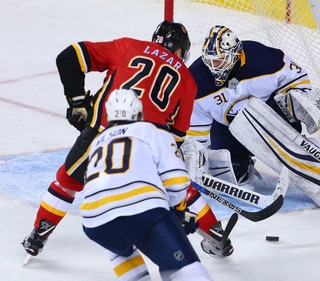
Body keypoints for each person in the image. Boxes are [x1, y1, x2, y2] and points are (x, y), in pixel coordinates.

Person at [22, 20, 230, 262]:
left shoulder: (128, 46)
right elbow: (177, 136)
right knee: (179, 186)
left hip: (104, 131)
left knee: (67, 181)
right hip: (151, 140)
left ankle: (38, 236)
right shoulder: (187, 78)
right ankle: (217, 236)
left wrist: (77, 102)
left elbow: (68, 57)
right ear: (181, 51)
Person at [183, 25, 320, 233]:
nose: (215, 66)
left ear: (236, 54)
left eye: (220, 60)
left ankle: (314, 161)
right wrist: (194, 162)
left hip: (274, 121)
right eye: (210, 61)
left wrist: (298, 100)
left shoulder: (264, 58)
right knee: (231, 172)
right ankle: (243, 166)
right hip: (229, 132)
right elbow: (195, 134)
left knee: (260, 116)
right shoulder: (197, 80)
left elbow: (299, 80)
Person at [80, 88, 213, 281]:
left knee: (119, 246)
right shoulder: (149, 130)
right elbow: (176, 180)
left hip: (95, 221)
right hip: (142, 211)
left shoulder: (97, 141)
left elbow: (99, 188)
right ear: (139, 113)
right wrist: (177, 213)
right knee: (188, 271)